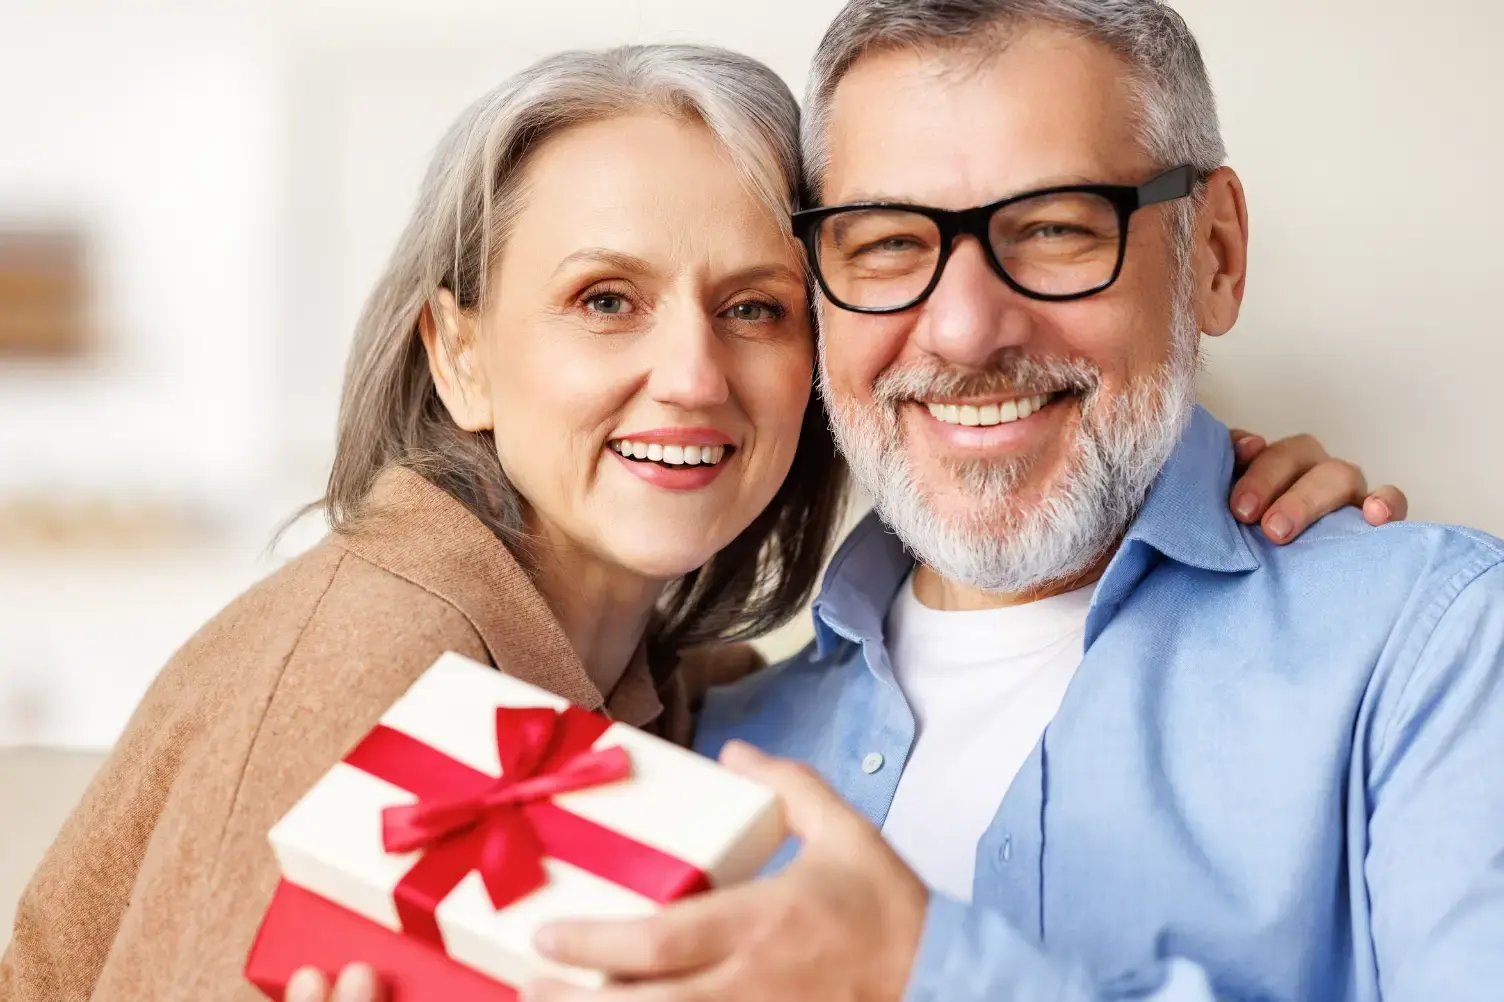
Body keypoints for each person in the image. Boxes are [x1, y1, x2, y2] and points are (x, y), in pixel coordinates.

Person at [1, 38, 1400, 1002]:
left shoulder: (693, 701)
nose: (692, 373)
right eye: (605, 298)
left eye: (754, 307)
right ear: (460, 354)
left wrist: (1189, 486)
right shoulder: (370, 666)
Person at [528, 4, 1504, 1002]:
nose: (963, 330)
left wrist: (920, 974)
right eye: (888, 244)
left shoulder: (1441, 652)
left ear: (1212, 255)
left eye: (1051, 228)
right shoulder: (710, 745)